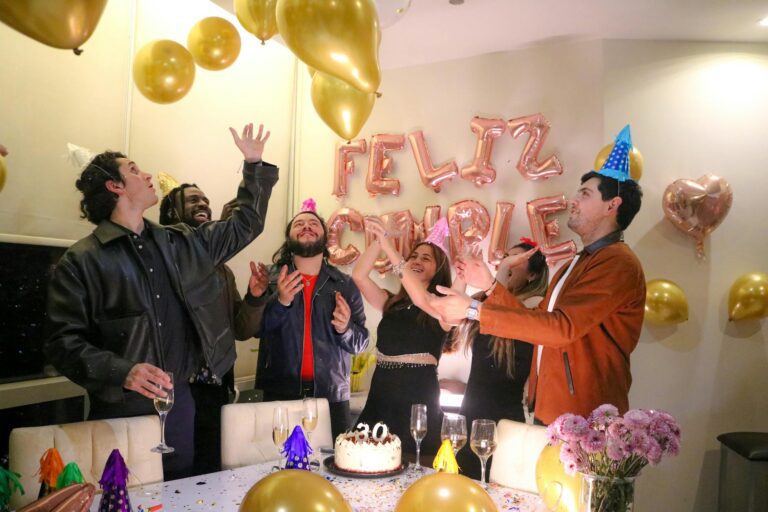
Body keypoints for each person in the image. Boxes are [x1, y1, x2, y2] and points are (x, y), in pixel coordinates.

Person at [44, 123, 278, 479]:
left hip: (179, 404)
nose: (147, 175)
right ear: (115, 186)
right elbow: (62, 344)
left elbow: (244, 223)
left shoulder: (182, 243)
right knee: (124, 493)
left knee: (180, 489)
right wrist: (123, 371)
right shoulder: (81, 261)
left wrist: (254, 166)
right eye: (134, 170)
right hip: (120, 411)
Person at [428, 125, 645, 426]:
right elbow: (539, 321)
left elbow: (561, 328)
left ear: (613, 204)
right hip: (554, 409)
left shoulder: (617, 262)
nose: (574, 201)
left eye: (584, 194)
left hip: (586, 417)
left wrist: (474, 309)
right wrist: (490, 285)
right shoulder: (575, 263)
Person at [159, 183, 269, 474]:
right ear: (172, 212)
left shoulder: (223, 271)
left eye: (206, 200)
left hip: (216, 384)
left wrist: (256, 296)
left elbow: (241, 329)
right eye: (193, 199)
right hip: (176, 383)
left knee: (210, 464)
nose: (203, 204)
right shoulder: (162, 259)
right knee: (176, 468)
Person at [253, 200, 369, 439]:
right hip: (279, 393)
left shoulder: (344, 284)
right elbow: (254, 329)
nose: (306, 226)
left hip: (332, 397)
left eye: (314, 223)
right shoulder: (269, 278)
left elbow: (361, 343)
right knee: (279, 459)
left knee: (333, 460)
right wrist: (281, 302)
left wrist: (345, 329)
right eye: (299, 223)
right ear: (288, 237)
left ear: (325, 238)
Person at [352, 218, 460, 457]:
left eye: (426, 258)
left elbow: (421, 298)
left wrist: (390, 248)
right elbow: (359, 276)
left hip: (417, 397)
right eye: (414, 256)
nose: (417, 261)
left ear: (439, 269)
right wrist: (379, 240)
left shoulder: (442, 307)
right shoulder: (391, 303)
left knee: (415, 460)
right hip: (381, 395)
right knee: (366, 460)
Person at [450, 239, 548, 479]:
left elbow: (504, 312)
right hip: (470, 411)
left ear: (533, 275)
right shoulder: (485, 303)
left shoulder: (533, 309)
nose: (508, 263)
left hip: (505, 419)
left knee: (497, 486)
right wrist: (464, 269)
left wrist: (502, 269)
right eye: (505, 257)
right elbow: (451, 305)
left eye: (516, 260)